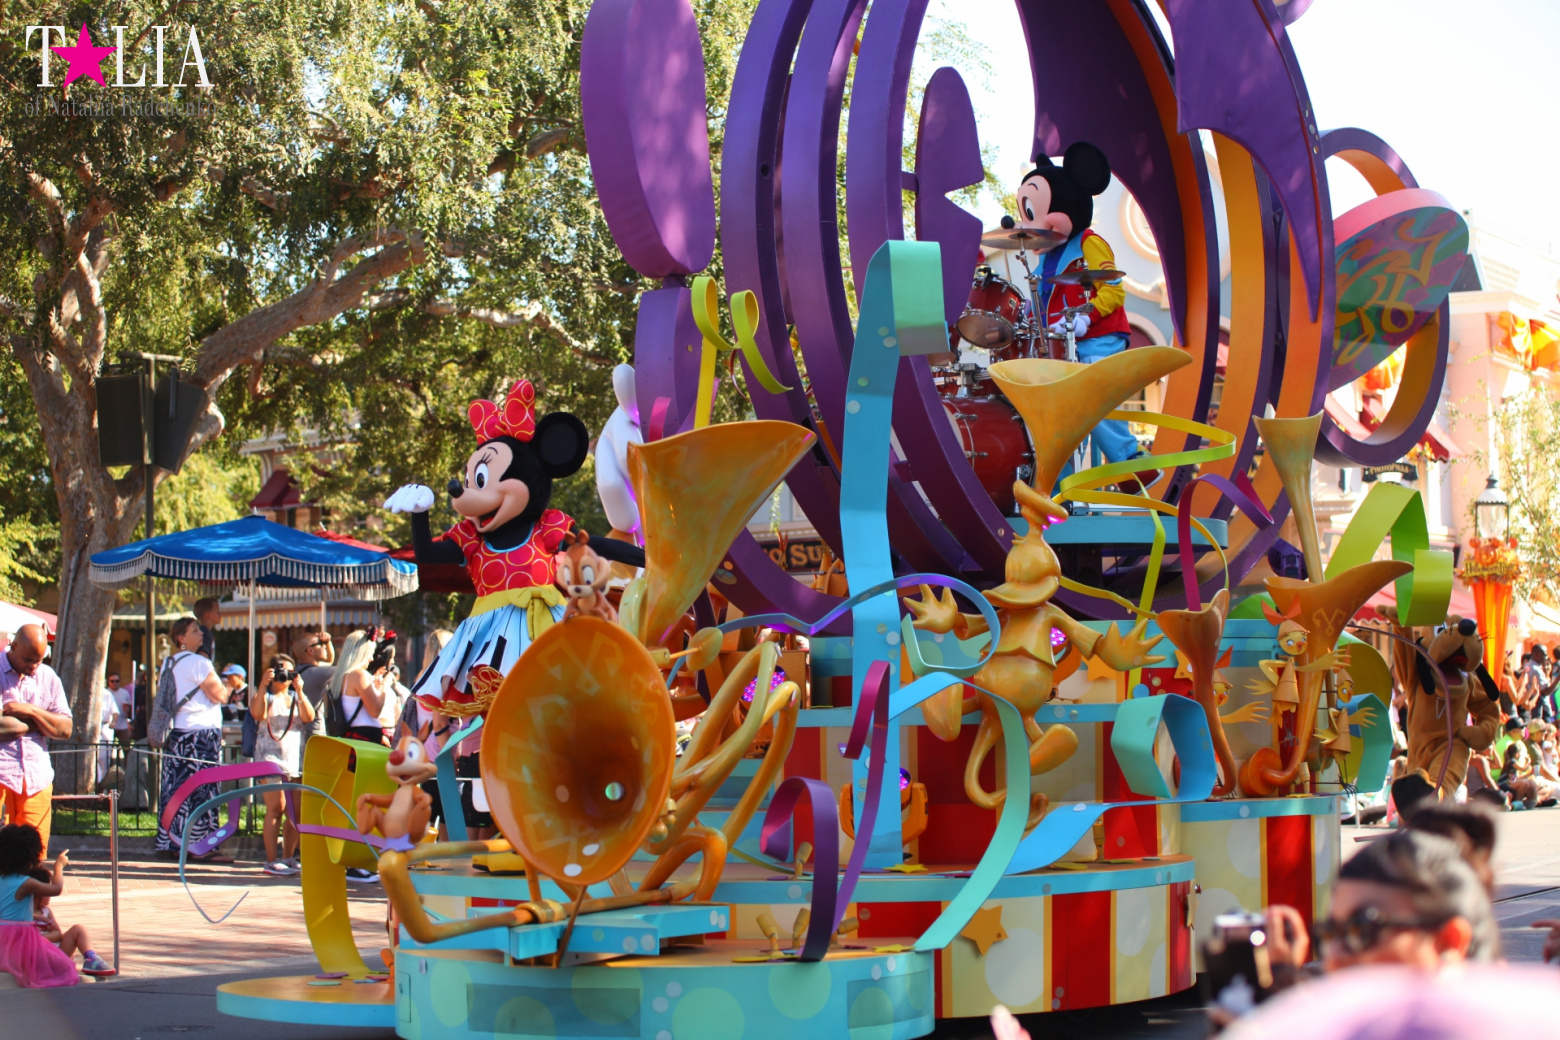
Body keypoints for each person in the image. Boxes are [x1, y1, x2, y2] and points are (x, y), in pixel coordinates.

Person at [153, 617, 232, 862]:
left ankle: (172, 841)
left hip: (178, 733)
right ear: (181, 638)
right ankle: (202, 844)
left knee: (176, 789)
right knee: (203, 789)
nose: (201, 634)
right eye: (194, 630)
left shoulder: (169, 662)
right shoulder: (199, 662)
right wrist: (227, 684)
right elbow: (220, 695)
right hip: (201, 734)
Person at [0, 625, 72, 856]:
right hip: (2, 775)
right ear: (13, 646)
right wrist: (42, 724)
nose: (33, 665)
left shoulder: (47, 677)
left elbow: (65, 729)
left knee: (33, 857)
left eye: (40, 660)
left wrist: (30, 711)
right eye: (28, 659)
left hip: (36, 778)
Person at [0, 823, 94, 985]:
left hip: (4, 936)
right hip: (20, 938)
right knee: (64, 966)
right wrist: (58, 866)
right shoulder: (26, 882)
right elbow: (55, 889)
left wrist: (33, 916)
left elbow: (9, 910)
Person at [250, 654, 315, 875]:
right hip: (270, 758)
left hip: (294, 759)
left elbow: (308, 717)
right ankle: (270, 860)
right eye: (279, 671)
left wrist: (300, 691)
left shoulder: (296, 698)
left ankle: (288, 856)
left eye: (288, 672)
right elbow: (256, 713)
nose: (283, 676)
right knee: (275, 807)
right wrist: (262, 686)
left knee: (294, 811)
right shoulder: (265, 697)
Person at [27, 866, 111, 976]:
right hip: (38, 957)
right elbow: (28, 940)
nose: (51, 896)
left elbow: (57, 934)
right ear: (38, 894)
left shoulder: (46, 911)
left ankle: (91, 958)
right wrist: (44, 937)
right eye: (48, 892)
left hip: (56, 953)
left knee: (78, 929)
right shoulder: (23, 913)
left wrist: (43, 937)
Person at [327, 629, 394, 747]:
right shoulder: (358, 674)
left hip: (351, 737)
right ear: (362, 653)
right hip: (365, 738)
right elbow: (375, 711)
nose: (371, 659)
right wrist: (384, 686)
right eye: (370, 653)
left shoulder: (340, 677)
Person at [291, 629, 335, 745]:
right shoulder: (317, 673)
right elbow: (345, 670)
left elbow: (329, 661)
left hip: (300, 731)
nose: (324, 647)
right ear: (310, 650)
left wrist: (327, 642)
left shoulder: (300, 670)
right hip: (314, 733)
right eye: (320, 645)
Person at [95, 683, 119, 788]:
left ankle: (103, 784)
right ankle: (95, 781)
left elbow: (115, 712)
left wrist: (113, 723)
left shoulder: (107, 694)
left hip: (104, 726)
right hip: (91, 727)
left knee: (104, 757)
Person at [107, 672, 133, 748]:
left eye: (117, 681)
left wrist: (127, 710)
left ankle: (127, 760)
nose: (115, 683)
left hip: (122, 724)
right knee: (108, 750)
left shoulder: (125, 693)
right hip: (109, 725)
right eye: (112, 681)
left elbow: (130, 708)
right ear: (108, 681)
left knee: (126, 747)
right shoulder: (106, 693)